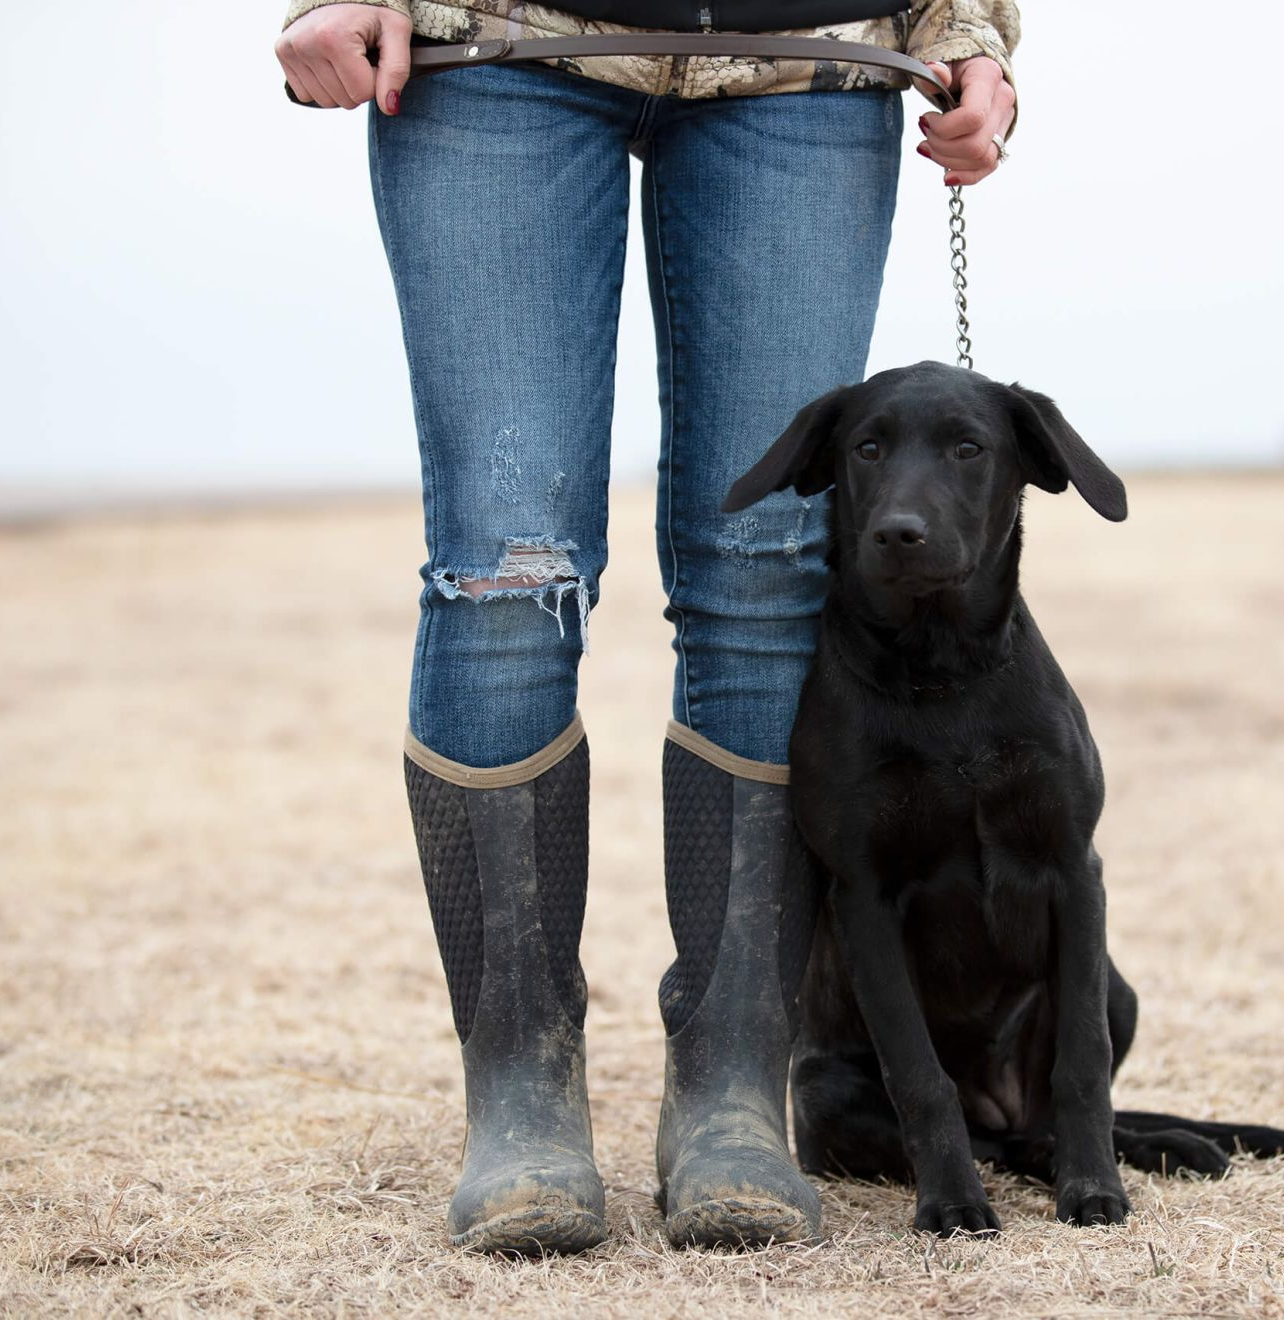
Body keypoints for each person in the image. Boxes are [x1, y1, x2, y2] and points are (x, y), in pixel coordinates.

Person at [274, 0, 1019, 1254]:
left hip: (810, 56)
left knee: (771, 566)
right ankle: (521, 1095)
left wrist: (973, 24)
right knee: (504, 573)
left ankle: (732, 1092)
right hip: (494, 43)